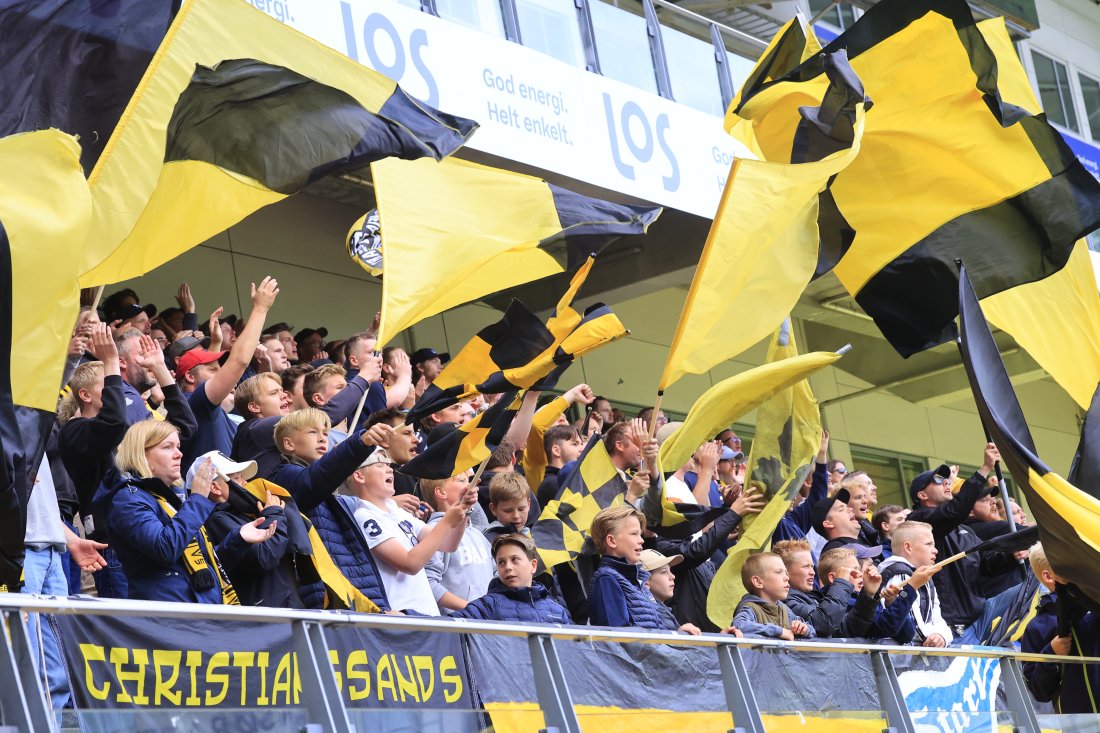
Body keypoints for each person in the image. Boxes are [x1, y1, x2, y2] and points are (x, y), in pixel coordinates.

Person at [100, 421, 274, 603]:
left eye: (178, 446)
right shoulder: (128, 500)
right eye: (167, 447)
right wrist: (198, 498)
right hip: (171, 616)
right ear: (141, 455)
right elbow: (165, 548)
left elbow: (202, 564)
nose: (179, 454)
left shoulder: (169, 500)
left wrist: (238, 539)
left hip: (198, 611)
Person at [269, 409, 394, 610]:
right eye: (312, 432)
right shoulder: (283, 476)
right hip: (328, 602)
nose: (322, 438)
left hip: (349, 601)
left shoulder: (328, 491)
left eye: (325, 433)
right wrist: (359, 443)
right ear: (289, 444)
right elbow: (312, 481)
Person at [907, 444, 1022, 633]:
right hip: (951, 626)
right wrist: (985, 468)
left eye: (946, 479)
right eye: (938, 479)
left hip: (981, 619)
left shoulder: (964, 530)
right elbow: (953, 511)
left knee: (1031, 589)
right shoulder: (918, 522)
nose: (946, 482)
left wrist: (1012, 556)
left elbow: (986, 564)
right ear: (922, 494)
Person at [348, 449, 477, 615]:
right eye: (380, 465)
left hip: (426, 614)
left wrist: (463, 508)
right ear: (359, 476)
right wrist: (447, 521)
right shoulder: (364, 516)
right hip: (402, 615)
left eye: (388, 465)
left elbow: (448, 544)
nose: (389, 470)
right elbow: (409, 564)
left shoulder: (396, 511)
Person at [178, 276, 280, 473]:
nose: (223, 377)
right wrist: (260, 309)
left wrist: (215, 343)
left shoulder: (218, 413)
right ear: (189, 377)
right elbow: (240, 361)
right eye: (213, 370)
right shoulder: (193, 405)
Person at [587, 506, 698, 633]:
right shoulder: (606, 579)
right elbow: (620, 640)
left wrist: (678, 633)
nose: (641, 540)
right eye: (634, 534)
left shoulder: (637, 580)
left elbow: (654, 630)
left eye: (640, 534)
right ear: (611, 541)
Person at [1021, 543, 1100, 715]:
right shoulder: (1037, 627)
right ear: (1049, 576)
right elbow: (1039, 691)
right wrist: (1051, 653)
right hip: (1078, 722)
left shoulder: (1095, 606)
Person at [450, 534, 572, 624]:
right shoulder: (487, 605)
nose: (507, 567)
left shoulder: (556, 609)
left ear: (533, 565)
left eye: (515, 560)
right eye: (501, 562)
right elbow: (443, 626)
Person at [423, 470, 494, 613]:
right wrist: (471, 608)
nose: (470, 487)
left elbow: (495, 574)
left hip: (485, 624)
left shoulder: (477, 534)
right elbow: (428, 584)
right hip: (456, 627)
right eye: (462, 481)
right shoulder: (432, 532)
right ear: (441, 492)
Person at [878, 521, 953, 647]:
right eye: (928, 544)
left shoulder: (924, 576)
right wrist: (933, 637)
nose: (935, 550)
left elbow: (937, 618)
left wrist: (942, 636)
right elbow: (915, 632)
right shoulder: (899, 574)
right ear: (908, 547)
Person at [775, 539, 853, 638]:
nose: (813, 572)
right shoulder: (784, 601)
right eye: (806, 566)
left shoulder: (813, 597)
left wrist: (868, 597)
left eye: (812, 566)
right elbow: (823, 624)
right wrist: (841, 583)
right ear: (785, 572)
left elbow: (845, 631)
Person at [732, 552, 815, 640]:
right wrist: (779, 631)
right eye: (778, 572)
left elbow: (812, 630)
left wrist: (803, 628)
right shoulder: (750, 608)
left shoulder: (784, 609)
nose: (787, 578)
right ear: (758, 582)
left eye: (786, 573)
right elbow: (739, 625)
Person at [774, 431, 831, 545]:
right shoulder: (771, 523)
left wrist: (821, 454)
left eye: (793, 490)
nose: (794, 495)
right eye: (787, 490)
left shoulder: (793, 519)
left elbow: (817, 501)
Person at [534, 425, 584, 508]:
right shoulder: (551, 484)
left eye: (581, 444)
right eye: (575, 444)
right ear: (556, 450)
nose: (582, 448)